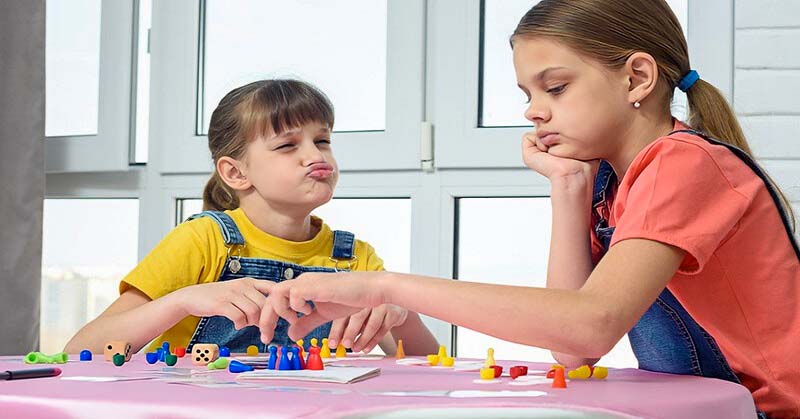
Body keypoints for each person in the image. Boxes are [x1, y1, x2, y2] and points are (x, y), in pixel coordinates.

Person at [257, 2, 799, 417]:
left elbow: (590, 328)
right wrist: (569, 189)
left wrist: (385, 286)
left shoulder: (685, 163)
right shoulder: (611, 182)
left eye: (555, 87)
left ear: (637, 77)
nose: (533, 111)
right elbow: (570, 352)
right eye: (528, 93)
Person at [65, 79, 438, 357]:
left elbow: (428, 365)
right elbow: (83, 349)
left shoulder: (356, 257)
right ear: (235, 173)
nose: (315, 154)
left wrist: (398, 311)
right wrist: (180, 301)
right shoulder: (202, 241)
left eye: (322, 140)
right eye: (287, 145)